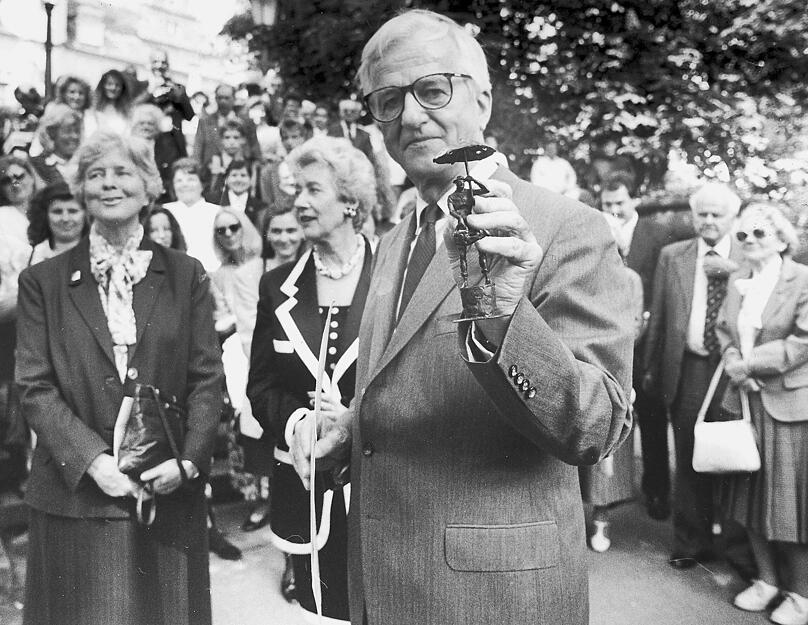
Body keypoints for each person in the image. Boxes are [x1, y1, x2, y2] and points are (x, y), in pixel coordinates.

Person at [289, 11, 634, 625]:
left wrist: (505, 317)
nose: (412, 115)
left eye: (432, 89)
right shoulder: (398, 239)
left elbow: (598, 427)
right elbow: (405, 386)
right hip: (382, 584)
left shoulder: (566, 226)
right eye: (388, 100)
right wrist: (351, 427)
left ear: (483, 97)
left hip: (492, 597)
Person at [15, 130, 224, 625]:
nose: (109, 184)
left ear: (149, 186)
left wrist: (189, 462)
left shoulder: (185, 273)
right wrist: (93, 462)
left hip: (166, 493)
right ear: (81, 191)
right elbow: (34, 385)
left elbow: (206, 376)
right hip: (78, 498)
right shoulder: (41, 282)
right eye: (95, 175)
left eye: (122, 172)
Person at [247, 136, 377, 623]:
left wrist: (354, 418)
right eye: (295, 190)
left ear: (349, 201)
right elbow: (260, 387)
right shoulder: (275, 285)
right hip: (306, 484)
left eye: (313, 190)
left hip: (379, 485)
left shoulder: (397, 277)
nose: (299, 202)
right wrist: (300, 421)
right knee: (320, 608)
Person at [643, 181, 744, 569]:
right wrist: (650, 369)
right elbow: (660, 316)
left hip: (732, 372)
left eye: (718, 214)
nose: (709, 221)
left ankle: (735, 547)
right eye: (702, 213)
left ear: (732, 217)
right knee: (687, 456)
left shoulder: (749, 256)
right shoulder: (673, 256)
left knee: (735, 456)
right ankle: (690, 541)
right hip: (688, 368)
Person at [716, 204, 808, 625]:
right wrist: (736, 360)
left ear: (784, 239)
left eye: (759, 233)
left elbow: (802, 341)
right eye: (743, 235)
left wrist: (749, 365)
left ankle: (801, 595)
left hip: (788, 406)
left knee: (789, 504)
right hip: (747, 403)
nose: (749, 240)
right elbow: (723, 330)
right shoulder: (738, 283)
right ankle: (767, 581)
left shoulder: (802, 280)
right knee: (750, 499)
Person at [600, 172, 693, 521]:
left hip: (647, 343)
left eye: (619, 203)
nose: (613, 210)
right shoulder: (597, 232)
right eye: (607, 204)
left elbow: (665, 291)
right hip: (610, 341)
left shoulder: (658, 234)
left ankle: (657, 491)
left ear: (634, 199)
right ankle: (608, 495)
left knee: (652, 419)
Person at [232, 206, 303, 531]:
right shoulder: (250, 274)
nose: (284, 238)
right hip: (268, 368)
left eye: (291, 230)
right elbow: (251, 333)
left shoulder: (313, 267)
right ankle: (267, 507)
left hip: (306, 375)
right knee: (268, 449)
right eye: (276, 231)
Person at [163, 158, 221, 272]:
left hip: (212, 273)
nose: (185, 184)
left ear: (202, 184)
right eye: (179, 181)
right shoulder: (165, 212)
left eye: (191, 179)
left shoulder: (217, 212)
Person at [138, 49, 195, 153]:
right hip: (146, 142)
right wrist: (151, 89)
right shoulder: (141, 87)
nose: (159, 66)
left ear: (168, 65)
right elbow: (132, 111)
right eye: (155, 62)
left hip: (171, 144)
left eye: (163, 62)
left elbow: (189, 116)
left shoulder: (177, 87)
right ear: (149, 65)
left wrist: (178, 94)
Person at [194, 84, 260, 171]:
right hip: (211, 174)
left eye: (226, 98)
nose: (223, 101)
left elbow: (255, 151)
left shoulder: (247, 122)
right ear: (216, 99)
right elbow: (197, 152)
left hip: (241, 172)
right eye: (220, 98)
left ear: (234, 99)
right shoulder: (205, 122)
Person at [130, 103, 186, 202]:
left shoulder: (167, 144)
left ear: (157, 126)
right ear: (134, 125)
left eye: (150, 123)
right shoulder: (128, 147)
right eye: (142, 123)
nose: (146, 127)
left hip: (163, 196)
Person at [27, 181, 88, 265]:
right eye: (57, 212)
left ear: (86, 214)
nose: (65, 219)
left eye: (73, 211)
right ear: (45, 215)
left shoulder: (98, 252)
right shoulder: (37, 255)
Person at [29, 104, 82, 185]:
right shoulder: (37, 164)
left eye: (77, 131)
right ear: (52, 133)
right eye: (68, 131)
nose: (74, 136)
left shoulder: (84, 163)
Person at [0, 155, 38, 245]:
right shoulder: (2, 217)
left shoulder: (48, 209)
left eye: (19, 176)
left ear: (32, 177)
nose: (14, 183)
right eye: (6, 181)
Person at [219, 159, 266, 228]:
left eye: (243, 175)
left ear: (250, 179)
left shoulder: (260, 207)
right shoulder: (214, 201)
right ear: (226, 179)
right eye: (234, 175)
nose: (238, 179)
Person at [85, 69, 133, 136]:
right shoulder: (92, 108)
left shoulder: (127, 112)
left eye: (117, 85)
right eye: (109, 84)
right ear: (103, 85)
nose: (113, 88)